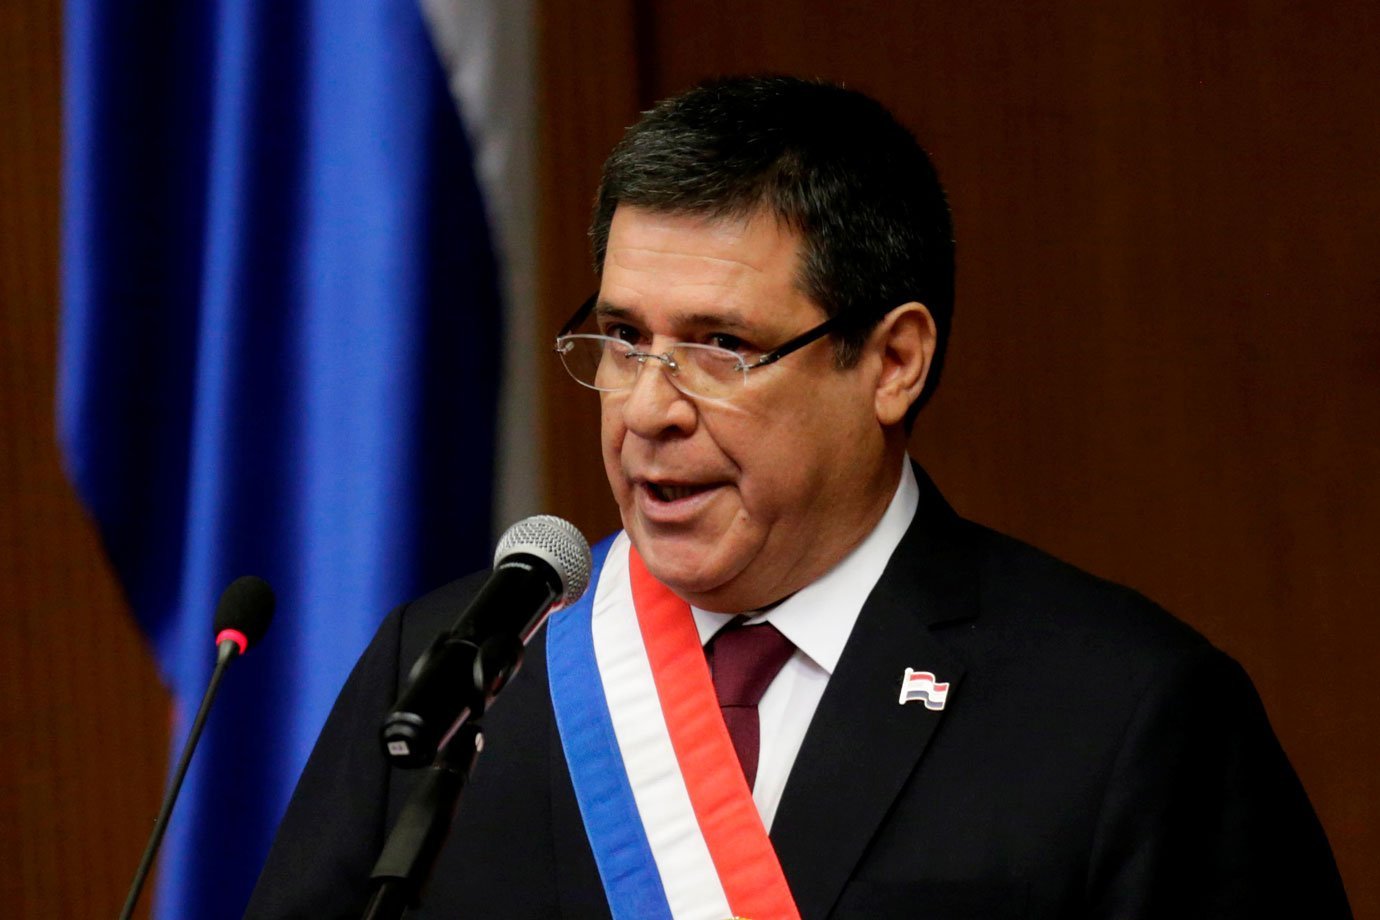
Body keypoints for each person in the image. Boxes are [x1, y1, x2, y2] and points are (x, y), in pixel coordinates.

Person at [245, 76, 1350, 919]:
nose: (647, 408)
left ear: (893, 362)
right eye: (624, 338)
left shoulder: (1126, 713)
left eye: (720, 346)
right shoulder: (457, 668)